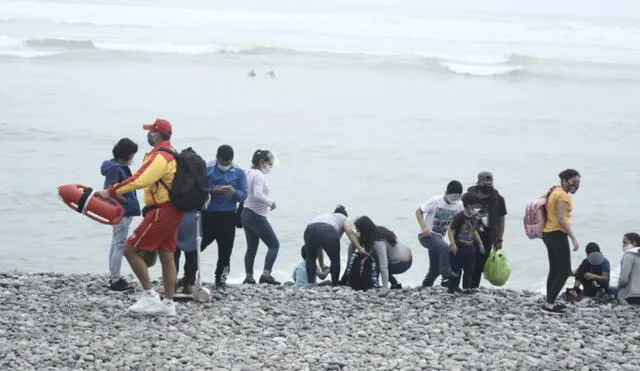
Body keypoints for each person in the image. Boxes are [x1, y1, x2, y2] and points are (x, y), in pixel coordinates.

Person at [96, 119, 183, 316]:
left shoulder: (160, 156)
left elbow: (141, 179)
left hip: (161, 210)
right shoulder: (174, 154)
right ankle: (169, 304)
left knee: (130, 249)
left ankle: (149, 295)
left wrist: (111, 191)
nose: (149, 135)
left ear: (157, 135)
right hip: (175, 210)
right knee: (167, 257)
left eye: (151, 132)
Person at [200, 145, 247, 288]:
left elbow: (244, 195)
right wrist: (212, 190)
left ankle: (221, 280)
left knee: (225, 252)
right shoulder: (207, 169)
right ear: (217, 158)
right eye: (222, 163)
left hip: (228, 216)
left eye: (228, 163)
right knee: (197, 247)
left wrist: (234, 192)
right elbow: (199, 189)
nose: (224, 165)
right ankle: (190, 276)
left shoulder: (239, 172)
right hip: (208, 214)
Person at [100, 138, 141, 292]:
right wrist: (125, 200)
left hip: (119, 211)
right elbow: (110, 190)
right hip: (121, 211)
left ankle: (114, 276)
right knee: (119, 244)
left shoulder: (115, 167)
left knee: (115, 242)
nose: (132, 158)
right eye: (132, 155)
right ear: (126, 155)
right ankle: (116, 279)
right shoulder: (116, 169)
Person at [541, 169, 581, 314]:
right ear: (564, 180)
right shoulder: (563, 196)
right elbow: (562, 219)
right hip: (557, 234)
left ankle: (548, 301)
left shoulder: (554, 191)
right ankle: (550, 304)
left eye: (578, 182)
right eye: (573, 182)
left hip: (548, 233)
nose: (576, 185)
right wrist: (573, 238)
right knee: (564, 271)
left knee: (555, 269)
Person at [416, 180, 464, 287]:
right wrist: (424, 227)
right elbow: (418, 211)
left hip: (439, 238)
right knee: (446, 249)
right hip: (426, 235)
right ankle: (446, 278)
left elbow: (462, 221)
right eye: (452, 198)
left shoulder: (459, 205)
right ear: (446, 193)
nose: (454, 201)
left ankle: (426, 285)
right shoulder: (436, 201)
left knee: (435, 268)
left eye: (457, 198)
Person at [242, 149, 280, 285]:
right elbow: (258, 194)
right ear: (262, 162)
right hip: (256, 215)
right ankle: (266, 275)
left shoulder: (247, 172)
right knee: (274, 245)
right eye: (268, 163)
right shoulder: (258, 175)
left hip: (246, 213)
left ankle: (249, 277)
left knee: (252, 247)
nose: (269, 166)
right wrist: (271, 203)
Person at [303, 205, 364, 286]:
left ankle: (310, 283)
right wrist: (360, 248)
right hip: (328, 231)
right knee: (335, 259)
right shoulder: (344, 218)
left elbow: (319, 249)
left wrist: (322, 265)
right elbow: (349, 231)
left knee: (311, 257)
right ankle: (334, 284)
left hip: (310, 230)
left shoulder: (326, 216)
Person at [467, 171, 507, 289]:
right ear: (478, 182)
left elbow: (501, 219)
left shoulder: (498, 199)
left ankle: (473, 288)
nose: (488, 187)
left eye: (490, 184)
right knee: (466, 262)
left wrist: (499, 239)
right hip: (468, 235)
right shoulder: (469, 196)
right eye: (485, 184)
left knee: (480, 264)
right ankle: (461, 286)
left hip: (488, 236)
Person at [357, 220, 413, 289]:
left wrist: (385, 286)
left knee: (375, 261)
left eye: (359, 231)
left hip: (403, 263)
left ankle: (375, 284)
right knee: (374, 257)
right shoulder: (378, 231)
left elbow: (383, 265)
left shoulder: (378, 243)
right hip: (406, 253)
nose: (357, 233)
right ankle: (394, 284)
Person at [447, 192, 485, 294]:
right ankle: (452, 287)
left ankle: (466, 288)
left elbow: (474, 230)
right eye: (475, 206)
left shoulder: (474, 217)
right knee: (456, 270)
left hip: (470, 248)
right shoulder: (459, 217)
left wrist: (480, 244)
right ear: (468, 206)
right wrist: (453, 243)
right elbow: (451, 230)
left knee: (469, 270)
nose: (476, 209)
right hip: (459, 247)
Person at [174, 211, 198, 294]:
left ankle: (185, 283)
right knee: (191, 253)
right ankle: (187, 284)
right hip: (190, 216)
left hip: (178, 214)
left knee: (174, 254)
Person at [618, 232, 640, 305]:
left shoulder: (629, 255)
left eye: (625, 242)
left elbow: (623, 279)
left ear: (634, 243)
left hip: (632, 295)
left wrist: (619, 286)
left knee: (614, 291)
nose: (623, 245)